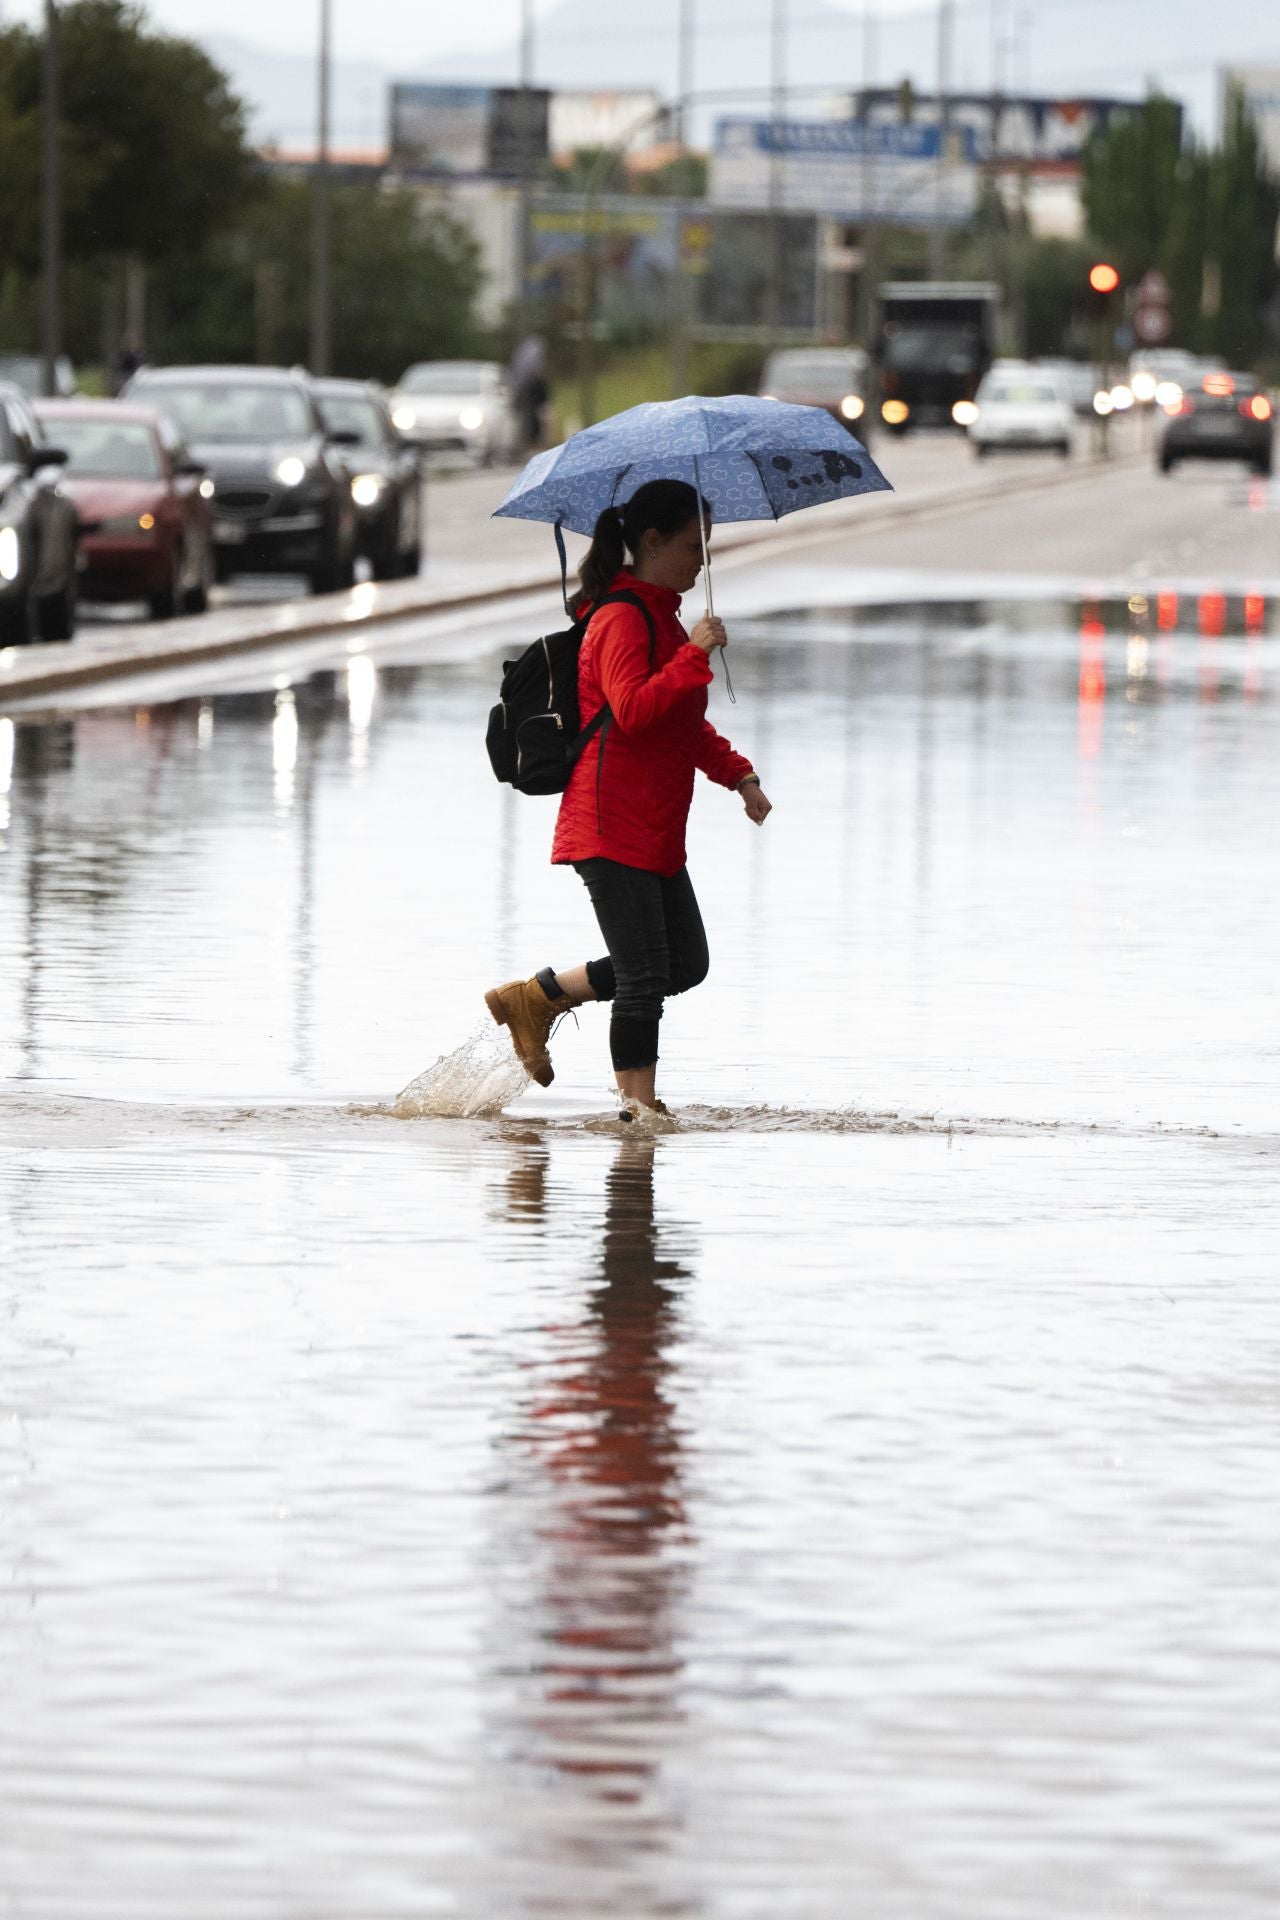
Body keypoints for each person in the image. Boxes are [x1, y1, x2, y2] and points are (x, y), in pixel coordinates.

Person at [485, 478, 772, 1118]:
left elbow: (683, 725)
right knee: (644, 977)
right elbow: (637, 711)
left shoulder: (662, 620)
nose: (702, 559)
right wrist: (695, 655)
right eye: (693, 544)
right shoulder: (619, 617)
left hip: (655, 825)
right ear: (651, 541)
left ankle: (540, 996)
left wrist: (740, 777)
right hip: (611, 820)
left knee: (684, 963)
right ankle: (638, 1112)